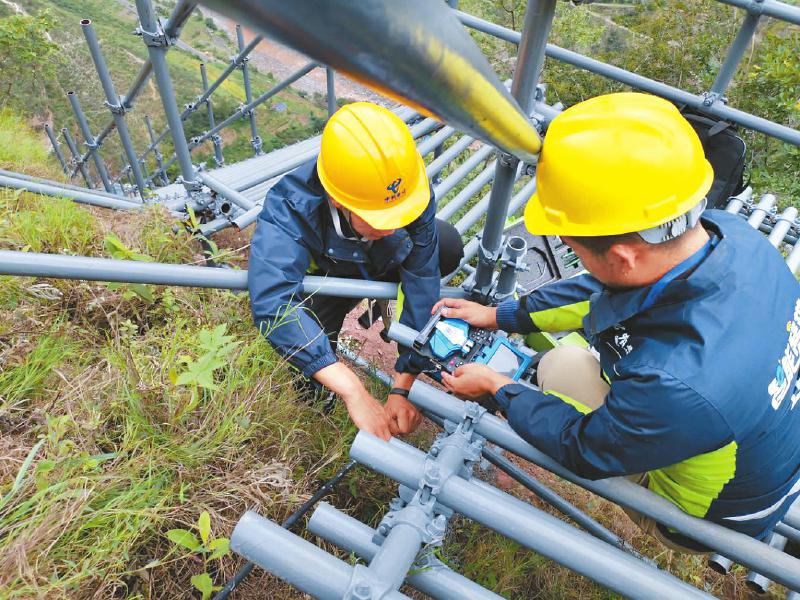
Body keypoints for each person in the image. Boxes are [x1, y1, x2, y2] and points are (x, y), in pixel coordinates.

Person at [437, 93, 800, 552]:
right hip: (768, 449)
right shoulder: (735, 237)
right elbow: (600, 291)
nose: (577, 260)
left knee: (562, 367)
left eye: (576, 250)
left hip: (710, 519)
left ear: (625, 257)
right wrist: (499, 315)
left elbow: (582, 448)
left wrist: (497, 387)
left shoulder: (676, 387)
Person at [248, 101, 464, 441]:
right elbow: (274, 300)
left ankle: (387, 312)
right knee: (310, 364)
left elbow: (422, 278)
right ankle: (318, 412)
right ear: (337, 200)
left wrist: (403, 385)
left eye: (399, 216)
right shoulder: (291, 207)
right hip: (331, 277)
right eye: (380, 219)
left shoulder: (402, 187)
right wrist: (352, 389)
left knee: (446, 245)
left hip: (384, 258)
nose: (392, 226)